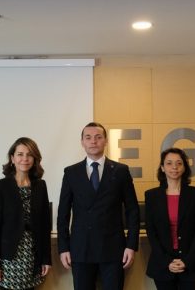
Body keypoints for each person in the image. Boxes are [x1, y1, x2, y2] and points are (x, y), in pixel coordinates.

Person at [57, 121, 140, 290]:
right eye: (88, 137)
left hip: (113, 248)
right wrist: (63, 248)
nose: (93, 141)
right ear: (82, 142)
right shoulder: (71, 172)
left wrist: (131, 245)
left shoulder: (121, 170)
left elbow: (132, 210)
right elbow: (63, 214)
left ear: (106, 141)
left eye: (98, 137)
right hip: (81, 248)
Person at [0, 137, 52, 289]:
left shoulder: (40, 186)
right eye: (20, 154)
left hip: (33, 254)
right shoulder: (0, 186)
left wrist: (46, 259)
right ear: (12, 158)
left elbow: (45, 226)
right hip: (8, 256)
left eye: (29, 155)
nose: (25, 159)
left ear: (34, 159)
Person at [144, 148, 195, 290]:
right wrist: (166, 261)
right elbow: (151, 232)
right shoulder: (152, 196)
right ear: (162, 168)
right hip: (162, 264)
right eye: (169, 163)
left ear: (184, 168)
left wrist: (187, 261)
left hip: (192, 264)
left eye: (179, 163)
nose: (174, 167)